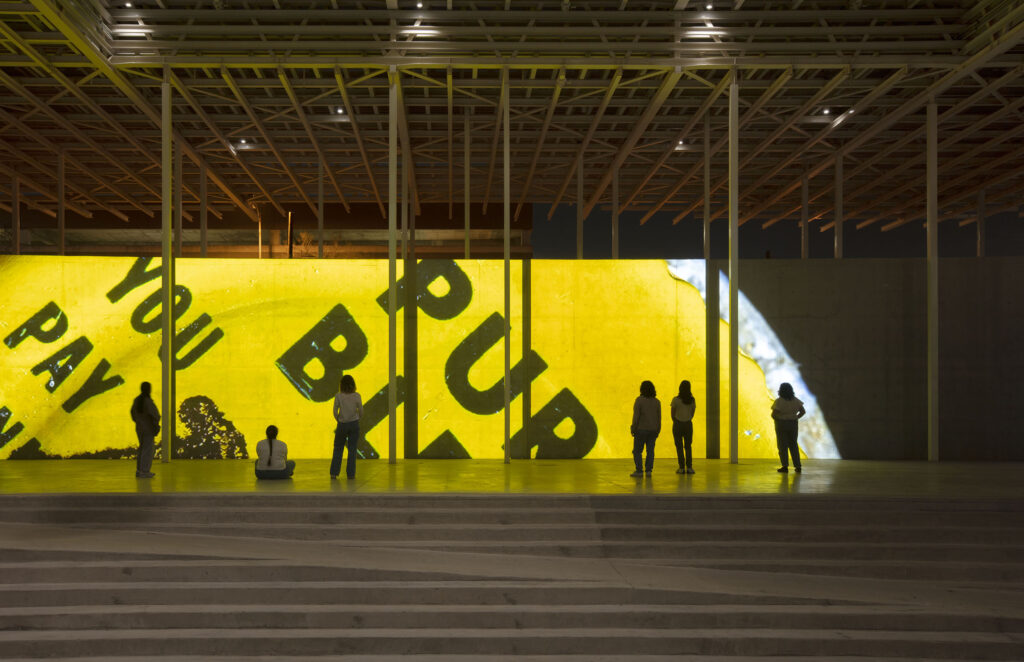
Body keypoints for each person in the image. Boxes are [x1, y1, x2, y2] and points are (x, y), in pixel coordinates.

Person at [331, 374, 363, 479]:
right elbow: (361, 411)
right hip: (354, 424)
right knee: (352, 450)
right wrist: (358, 418)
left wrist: (339, 419)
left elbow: (335, 411)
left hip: (342, 424)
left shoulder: (338, 396)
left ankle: (334, 473)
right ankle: (350, 474)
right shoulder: (357, 396)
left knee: (338, 448)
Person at [771, 382, 806, 473]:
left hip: (781, 424)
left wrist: (779, 419)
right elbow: (803, 411)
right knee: (793, 445)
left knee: (782, 446)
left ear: (780, 391)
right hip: (793, 424)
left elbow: (774, 414)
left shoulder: (779, 401)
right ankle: (798, 466)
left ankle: (785, 466)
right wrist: (795, 417)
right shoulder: (795, 400)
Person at [630, 380, 661, 477]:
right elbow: (659, 417)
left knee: (637, 451)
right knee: (650, 451)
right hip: (653, 430)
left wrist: (633, 427)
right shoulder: (657, 402)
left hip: (641, 430)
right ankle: (648, 471)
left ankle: (639, 470)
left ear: (641, 389)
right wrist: (658, 429)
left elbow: (636, 416)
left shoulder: (639, 400)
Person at [130, 381, 160, 478]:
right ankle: (145, 471)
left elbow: (132, 413)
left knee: (142, 449)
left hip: (139, 428)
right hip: (148, 428)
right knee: (147, 449)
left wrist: (138, 421)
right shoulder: (148, 401)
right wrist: (155, 423)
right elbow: (155, 414)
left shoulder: (137, 400)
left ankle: (139, 470)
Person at [670, 380, 697, 475]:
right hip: (688, 424)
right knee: (688, 446)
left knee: (679, 447)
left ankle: (681, 467)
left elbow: (672, 414)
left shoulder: (675, 400)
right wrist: (687, 419)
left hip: (677, 424)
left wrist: (677, 421)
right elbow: (692, 413)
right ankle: (689, 467)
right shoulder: (692, 400)